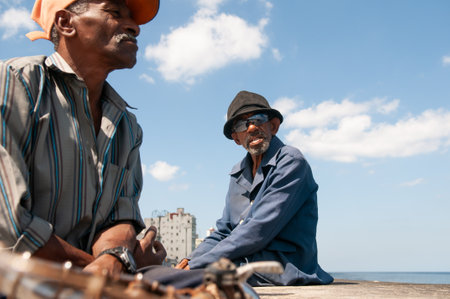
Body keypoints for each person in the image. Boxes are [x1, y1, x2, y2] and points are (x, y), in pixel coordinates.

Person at [0, 0, 168, 277]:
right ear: (66, 23)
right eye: (114, 13)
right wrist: (109, 267)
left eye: (132, 20)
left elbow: (121, 217)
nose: (134, 27)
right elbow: (9, 225)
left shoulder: (127, 126)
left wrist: (114, 258)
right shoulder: (15, 82)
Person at [177, 90, 334, 286]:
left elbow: (259, 229)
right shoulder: (238, 174)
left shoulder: (291, 161)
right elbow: (224, 231)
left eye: (258, 119)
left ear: (273, 126)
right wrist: (189, 260)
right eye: (243, 124)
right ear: (237, 138)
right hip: (245, 260)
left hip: (284, 267)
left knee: (192, 280)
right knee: (168, 275)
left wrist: (198, 265)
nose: (251, 127)